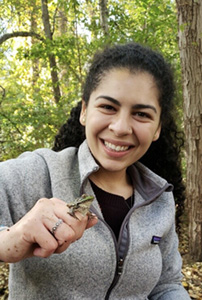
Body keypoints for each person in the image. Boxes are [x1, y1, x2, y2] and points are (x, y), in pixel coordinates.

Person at [0, 42, 190, 300]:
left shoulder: (161, 199)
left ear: (157, 128)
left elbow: (166, 285)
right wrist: (11, 238)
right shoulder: (37, 173)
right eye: (108, 107)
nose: (121, 127)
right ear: (85, 111)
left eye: (142, 114)